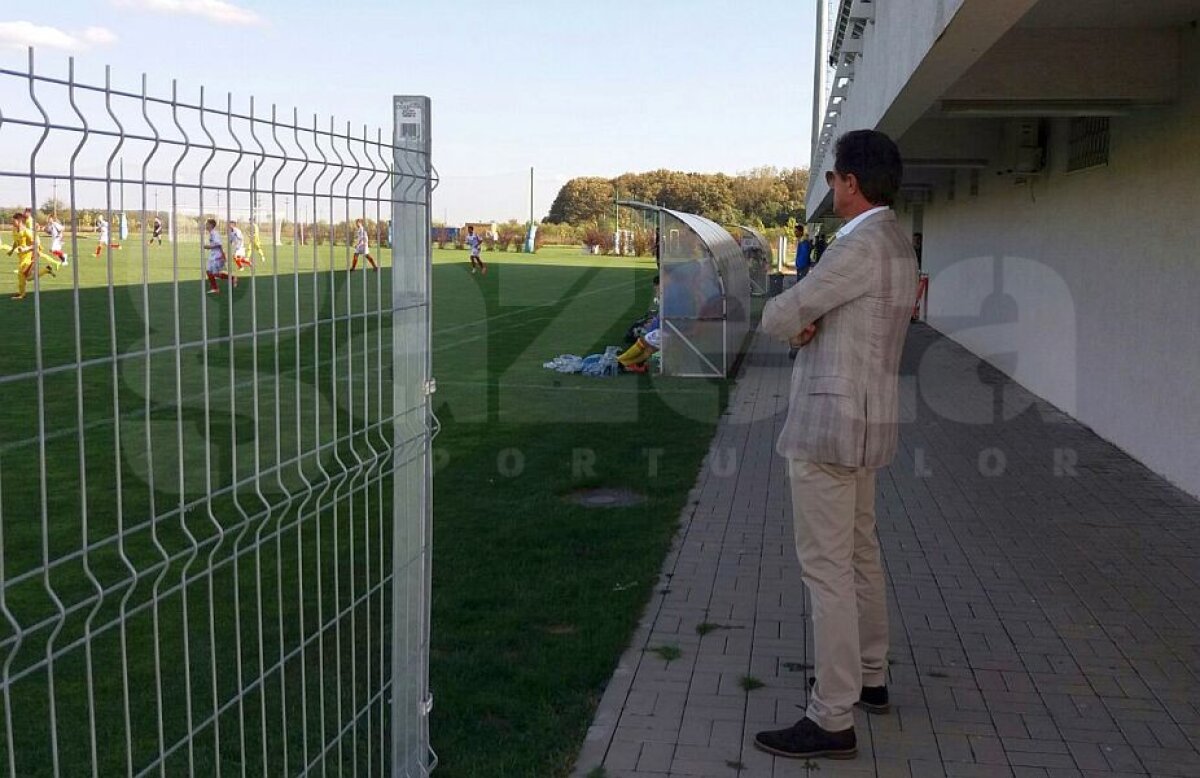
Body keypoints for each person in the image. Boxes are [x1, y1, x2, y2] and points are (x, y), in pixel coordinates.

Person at [755, 129, 918, 762]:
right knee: (858, 554)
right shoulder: (898, 242)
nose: (830, 188)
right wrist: (810, 327)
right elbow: (831, 321)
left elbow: (779, 312)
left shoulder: (858, 246)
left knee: (826, 569)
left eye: (832, 179)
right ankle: (869, 679)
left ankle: (831, 716)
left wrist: (798, 326)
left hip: (829, 427)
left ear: (850, 182)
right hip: (869, 424)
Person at [9, 211, 55, 300]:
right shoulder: (15, 231)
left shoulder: (27, 232)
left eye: (13, 221)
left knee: (21, 274)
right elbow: (16, 242)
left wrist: (26, 248)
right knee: (28, 277)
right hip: (21, 257)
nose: (12, 223)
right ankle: (46, 270)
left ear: (19, 221)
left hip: (30, 256)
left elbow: (36, 244)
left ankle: (22, 294)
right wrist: (11, 250)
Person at [204, 218, 235, 295]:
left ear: (211, 225)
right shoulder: (211, 233)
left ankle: (232, 278)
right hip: (212, 255)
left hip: (216, 256)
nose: (206, 225)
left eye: (207, 224)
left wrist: (222, 255)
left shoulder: (215, 233)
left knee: (215, 274)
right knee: (208, 271)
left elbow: (219, 244)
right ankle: (215, 288)